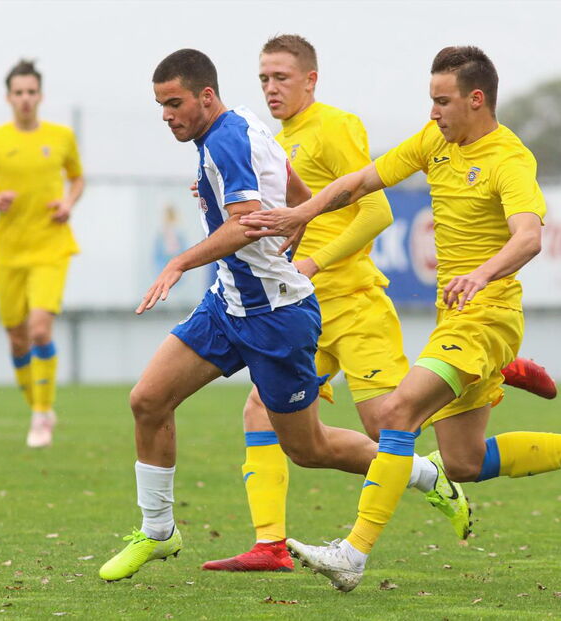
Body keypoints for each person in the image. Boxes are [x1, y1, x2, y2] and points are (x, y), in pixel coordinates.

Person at [240, 45, 561, 592]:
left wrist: (481, 274)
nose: (432, 112)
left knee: (397, 415)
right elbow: (361, 183)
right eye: (431, 101)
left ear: (476, 99)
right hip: (454, 318)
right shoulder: (435, 140)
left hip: (487, 318)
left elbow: (529, 237)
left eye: (442, 101)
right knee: (462, 462)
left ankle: (352, 554)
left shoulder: (509, 159)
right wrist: (302, 212)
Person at [203, 35, 560, 574]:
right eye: (263, 79)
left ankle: (487, 378)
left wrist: (314, 259)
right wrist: (269, 208)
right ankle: (271, 544)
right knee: (274, 418)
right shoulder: (284, 140)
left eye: (281, 77)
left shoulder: (339, 126)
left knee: (389, 423)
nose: (270, 88)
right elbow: (335, 190)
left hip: (362, 304)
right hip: (306, 307)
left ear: (310, 79)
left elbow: (378, 212)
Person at [98, 48, 452, 583]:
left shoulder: (226, 140)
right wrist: (295, 225)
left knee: (308, 448)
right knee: (148, 399)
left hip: (276, 318)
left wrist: (179, 262)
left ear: (206, 97)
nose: (167, 116)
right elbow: (296, 190)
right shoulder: (244, 122)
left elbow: (243, 225)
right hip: (228, 305)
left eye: (174, 104)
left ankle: (424, 473)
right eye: (160, 106)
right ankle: (158, 531)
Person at [0, 59, 85, 448]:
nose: (25, 99)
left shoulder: (61, 137)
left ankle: (41, 415)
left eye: (31, 92)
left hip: (51, 246)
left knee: (39, 330)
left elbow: (77, 178)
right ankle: (40, 407)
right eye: (18, 92)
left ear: (41, 96)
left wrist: (68, 202)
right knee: (17, 340)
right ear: (8, 97)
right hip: (9, 252)